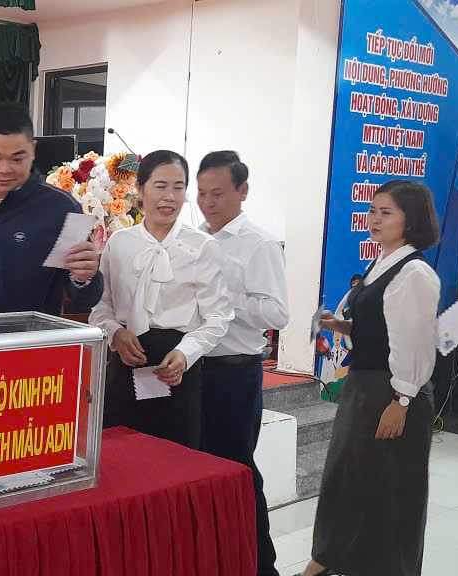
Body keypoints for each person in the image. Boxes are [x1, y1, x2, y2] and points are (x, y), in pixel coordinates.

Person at [302, 180, 440, 576]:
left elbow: (415, 343)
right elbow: (384, 327)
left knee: (390, 493)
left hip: (392, 392)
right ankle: (332, 559)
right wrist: (342, 326)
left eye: (386, 212)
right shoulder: (382, 261)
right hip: (365, 387)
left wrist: (402, 401)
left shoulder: (414, 272)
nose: (374, 219)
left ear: (411, 220)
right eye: (372, 210)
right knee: (349, 480)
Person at [88, 150, 234, 449]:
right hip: (126, 361)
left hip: (176, 368)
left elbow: (218, 317)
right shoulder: (120, 243)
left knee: (174, 458)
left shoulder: (203, 246)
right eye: (160, 186)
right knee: (121, 453)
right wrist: (116, 334)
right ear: (140, 191)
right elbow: (100, 307)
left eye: (178, 187)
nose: (169, 196)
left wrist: (185, 353)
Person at [196, 151, 288, 576]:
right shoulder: (193, 237)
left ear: (243, 191)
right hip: (192, 370)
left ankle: (261, 565)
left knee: (237, 470)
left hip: (234, 374)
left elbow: (278, 314)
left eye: (217, 194)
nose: (207, 203)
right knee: (198, 471)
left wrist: (226, 299)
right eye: (201, 194)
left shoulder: (259, 244)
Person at [0, 102, 103, 315]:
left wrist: (84, 277)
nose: (4, 169)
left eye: (17, 159)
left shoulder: (64, 208)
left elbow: (85, 298)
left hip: (31, 334)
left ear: (33, 150)